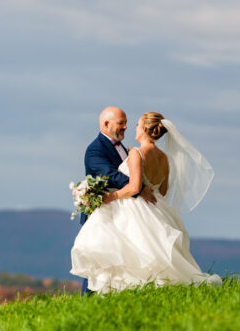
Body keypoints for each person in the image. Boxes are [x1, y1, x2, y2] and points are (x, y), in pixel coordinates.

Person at [70, 112, 222, 294]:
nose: (128, 127)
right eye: (123, 123)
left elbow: (133, 186)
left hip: (131, 209)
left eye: (133, 124)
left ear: (143, 129)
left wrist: (110, 197)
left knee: (128, 255)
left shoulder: (135, 152)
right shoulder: (164, 158)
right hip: (156, 208)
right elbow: (162, 191)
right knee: (148, 252)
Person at [79, 106, 157, 296]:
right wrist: (138, 187)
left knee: (119, 258)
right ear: (106, 124)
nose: (126, 127)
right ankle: (87, 299)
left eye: (126, 123)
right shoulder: (95, 150)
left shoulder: (123, 147)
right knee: (97, 262)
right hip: (103, 214)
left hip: (121, 212)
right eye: (121, 123)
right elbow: (111, 175)